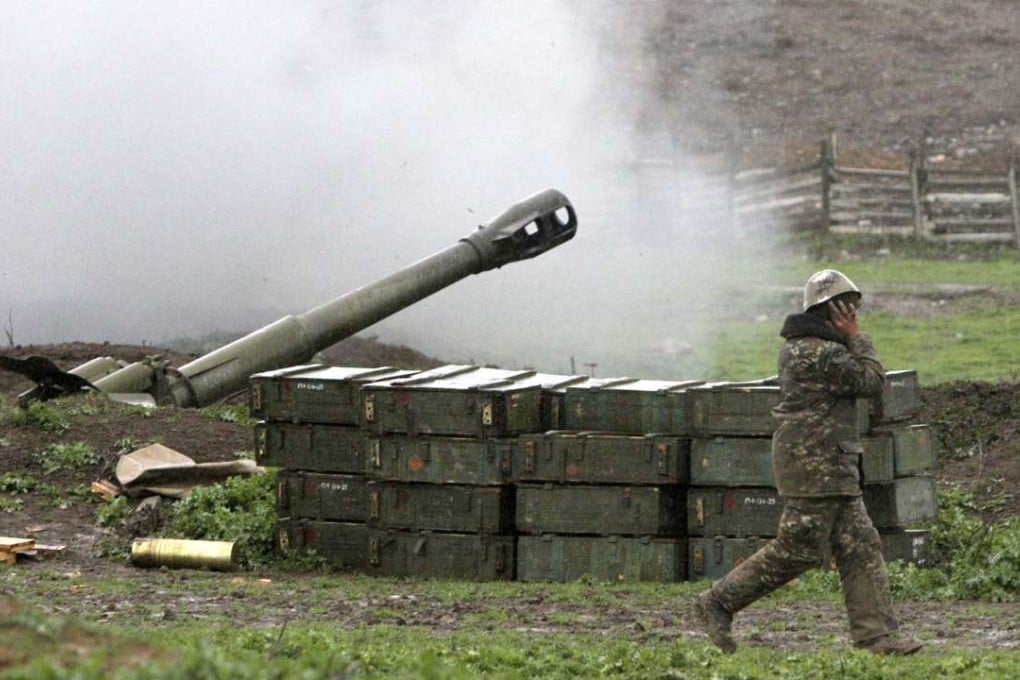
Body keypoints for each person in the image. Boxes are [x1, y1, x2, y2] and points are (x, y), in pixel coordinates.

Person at [695, 269, 922, 656]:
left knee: (861, 546)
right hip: (816, 468)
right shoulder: (822, 352)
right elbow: (871, 381)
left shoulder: (806, 347)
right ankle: (718, 602)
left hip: (828, 466)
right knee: (797, 550)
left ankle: (877, 639)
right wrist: (858, 339)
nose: (854, 314)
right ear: (830, 311)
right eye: (847, 308)